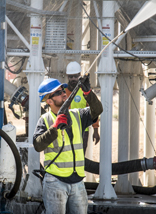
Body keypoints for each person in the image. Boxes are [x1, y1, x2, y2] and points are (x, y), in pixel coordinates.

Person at [33, 77, 103, 214]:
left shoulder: (78, 115)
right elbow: (37, 145)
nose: (64, 93)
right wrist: (54, 128)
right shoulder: (45, 120)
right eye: (58, 93)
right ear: (49, 101)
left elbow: (97, 110)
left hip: (77, 182)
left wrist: (88, 93)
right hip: (55, 182)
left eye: (63, 90)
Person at [65, 61, 100, 153]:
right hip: (67, 129)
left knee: (80, 155)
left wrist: (95, 130)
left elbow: (93, 110)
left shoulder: (85, 92)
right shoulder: (63, 93)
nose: (73, 79)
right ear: (67, 77)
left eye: (75, 76)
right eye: (71, 76)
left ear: (79, 75)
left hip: (83, 130)